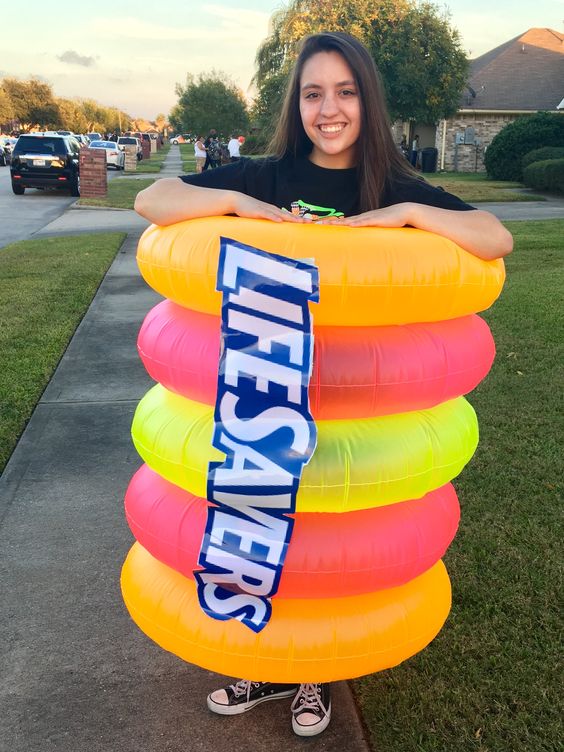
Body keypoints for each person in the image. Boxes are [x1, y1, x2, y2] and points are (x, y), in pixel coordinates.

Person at [135, 31, 512, 738]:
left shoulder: (394, 186)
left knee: (319, 539)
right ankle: (261, 659)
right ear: (296, 104)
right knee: (261, 525)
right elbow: (153, 198)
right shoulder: (268, 176)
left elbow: (495, 237)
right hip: (264, 389)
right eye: (313, 93)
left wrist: (404, 216)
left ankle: (310, 671)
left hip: (346, 405)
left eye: (344, 92)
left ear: (366, 100)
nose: (328, 109)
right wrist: (241, 209)